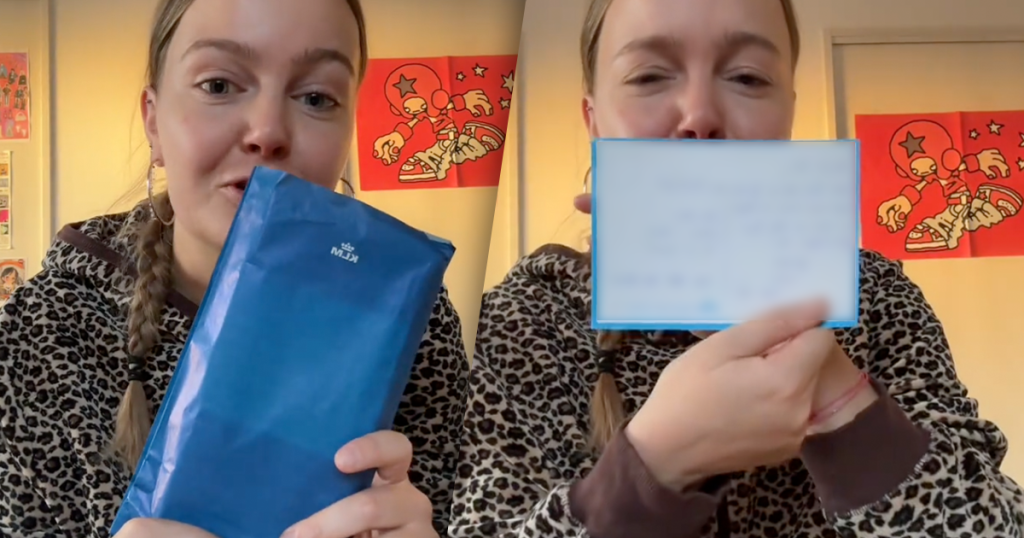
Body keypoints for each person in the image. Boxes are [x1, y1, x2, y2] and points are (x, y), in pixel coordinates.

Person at [448, 0, 1024, 536]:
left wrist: (833, 391)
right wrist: (657, 459)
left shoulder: (876, 295)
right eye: (649, 76)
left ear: (788, 114)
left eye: (747, 77)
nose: (699, 116)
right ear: (594, 120)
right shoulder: (524, 315)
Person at [0, 0, 468, 537]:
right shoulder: (36, 335)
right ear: (153, 121)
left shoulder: (414, 326)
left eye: (316, 97)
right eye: (219, 85)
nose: (267, 131)